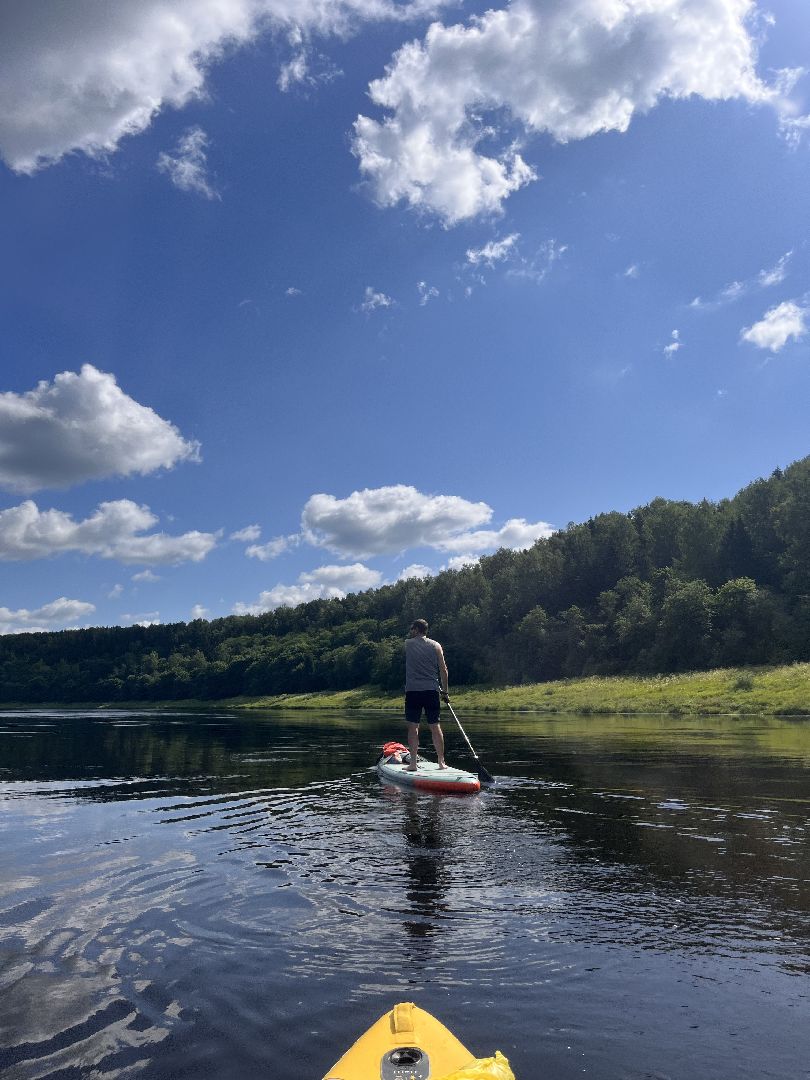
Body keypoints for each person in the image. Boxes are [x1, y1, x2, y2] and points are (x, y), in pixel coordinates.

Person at [403, 618, 450, 771]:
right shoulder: (436, 645)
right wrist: (445, 691)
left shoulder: (408, 644)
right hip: (432, 690)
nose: (411, 632)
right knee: (435, 726)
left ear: (416, 629)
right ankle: (441, 762)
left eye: (412, 629)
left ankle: (413, 764)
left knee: (413, 727)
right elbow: (444, 670)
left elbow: (411, 642)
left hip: (413, 691)